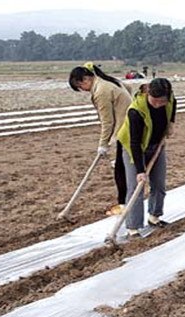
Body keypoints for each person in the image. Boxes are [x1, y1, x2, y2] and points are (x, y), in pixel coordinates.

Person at [69, 62, 132, 216]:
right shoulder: (108, 81)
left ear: (85, 80)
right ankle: (126, 202)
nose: (83, 90)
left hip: (125, 130)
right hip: (128, 126)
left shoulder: (101, 91)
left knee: (120, 170)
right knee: (122, 167)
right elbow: (129, 89)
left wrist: (103, 144)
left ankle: (124, 204)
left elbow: (107, 121)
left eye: (80, 87)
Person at [117, 78, 176, 236]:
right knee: (136, 187)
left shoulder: (169, 99)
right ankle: (133, 227)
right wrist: (140, 170)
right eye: (154, 101)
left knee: (159, 183)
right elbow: (134, 143)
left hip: (156, 145)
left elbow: (173, 105)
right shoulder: (136, 111)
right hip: (133, 148)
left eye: (161, 102)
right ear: (148, 94)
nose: (158, 104)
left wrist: (171, 123)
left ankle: (154, 217)